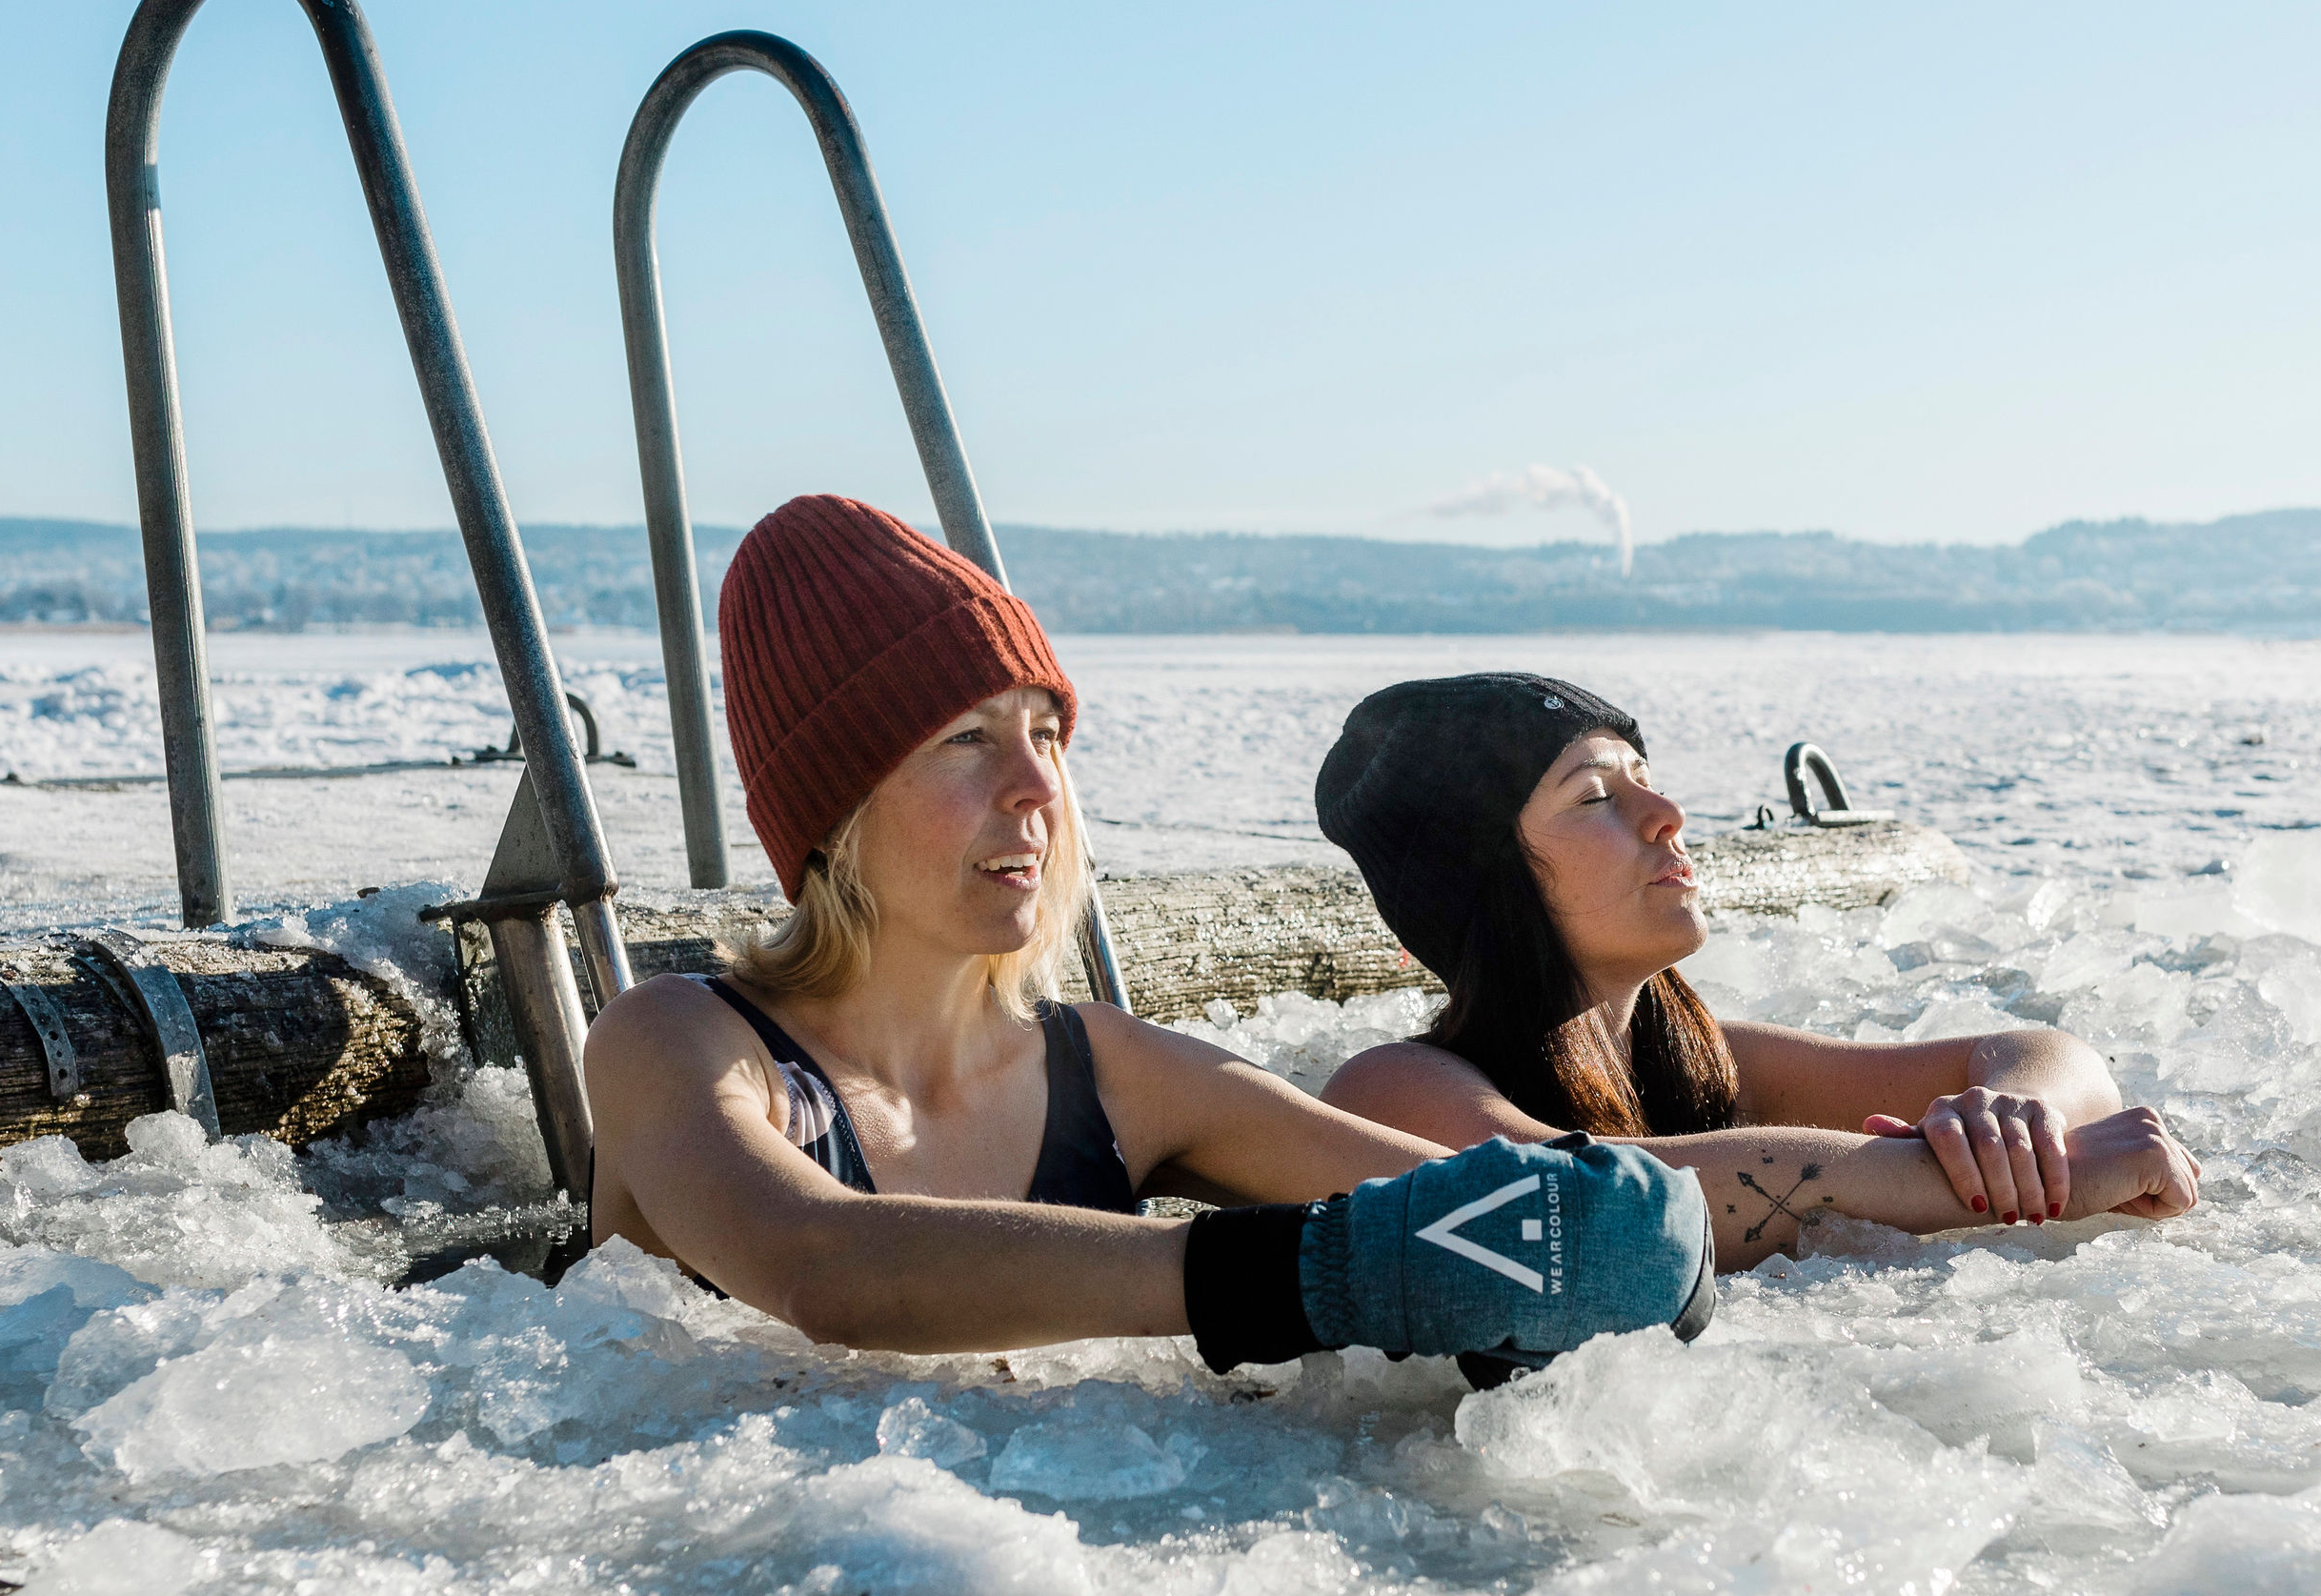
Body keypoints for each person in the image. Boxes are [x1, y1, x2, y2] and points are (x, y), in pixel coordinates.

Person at [585, 498, 1735, 1374]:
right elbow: (821, 1265)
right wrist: (1307, 1279)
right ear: (833, 806)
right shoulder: (675, 1045)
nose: (1040, 785)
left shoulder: (1112, 1072)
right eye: (965, 740)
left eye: (1047, 732)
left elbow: (1454, 1204)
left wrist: (1615, 1226)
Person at [1313, 674, 2200, 1263]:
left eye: (1646, 778)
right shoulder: (1395, 1090)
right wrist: (2043, 1183)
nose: (1668, 814)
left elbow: (2057, 1056)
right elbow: (1600, 1210)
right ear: (1483, 881)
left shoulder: (1710, 1069)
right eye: (1595, 797)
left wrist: (2018, 1133)